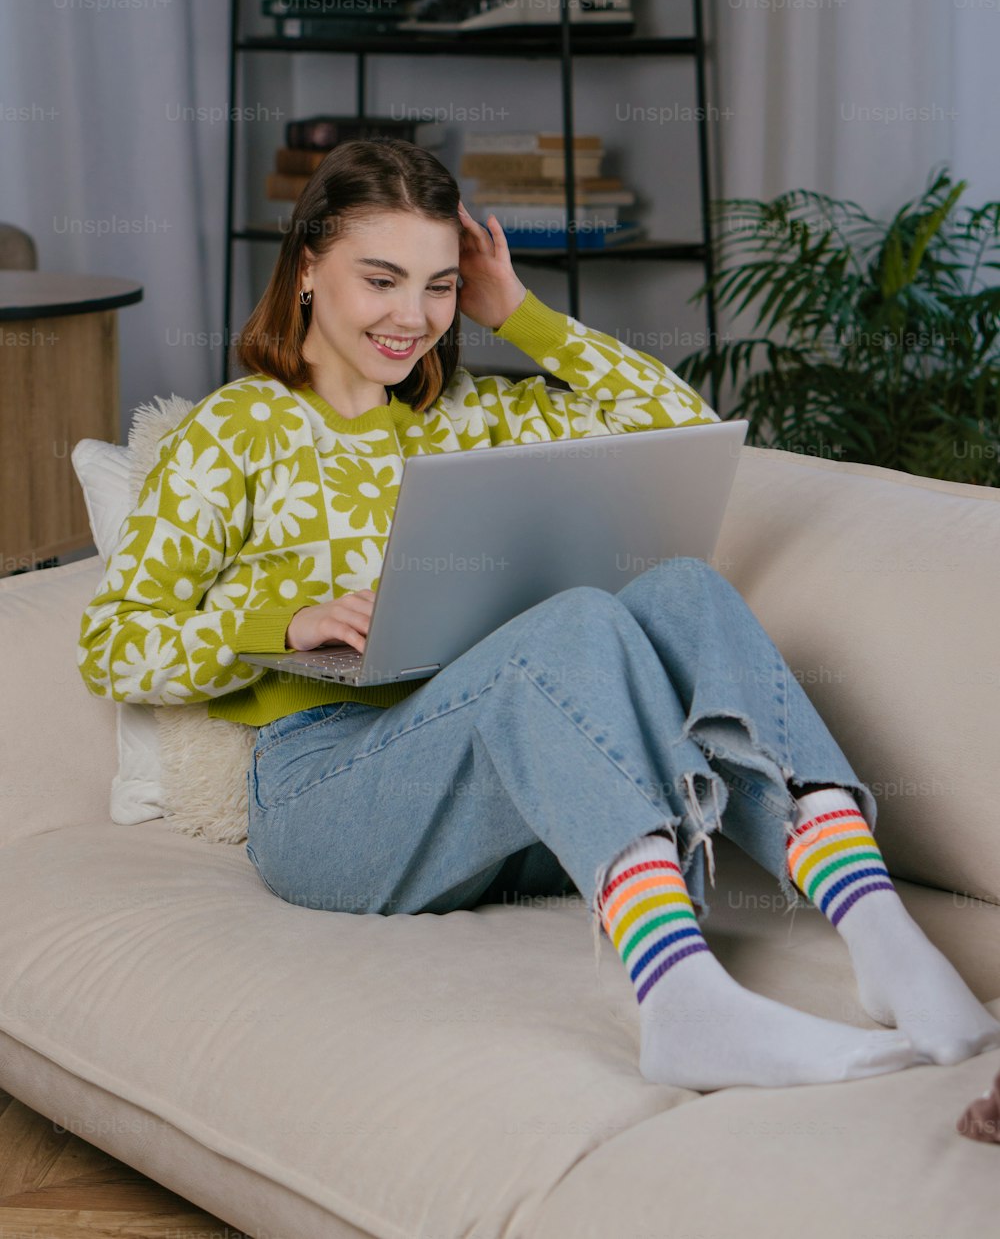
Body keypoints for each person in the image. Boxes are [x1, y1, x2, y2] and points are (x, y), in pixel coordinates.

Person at [78, 138, 1000, 1093]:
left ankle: (884, 935)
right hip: (327, 794)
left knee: (678, 588)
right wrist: (285, 621)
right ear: (309, 267)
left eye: (439, 287)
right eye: (381, 279)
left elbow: (686, 431)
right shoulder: (236, 429)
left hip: (518, 793)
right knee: (574, 624)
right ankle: (684, 1002)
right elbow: (112, 642)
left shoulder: (474, 416)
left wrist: (521, 315)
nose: (413, 317)